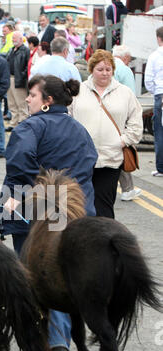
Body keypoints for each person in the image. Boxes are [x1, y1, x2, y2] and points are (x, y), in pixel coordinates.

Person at [0, 74, 98, 351]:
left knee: (33, 278)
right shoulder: (80, 130)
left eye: (32, 95)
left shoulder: (30, 126)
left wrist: (38, 191)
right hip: (76, 218)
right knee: (65, 277)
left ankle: (43, 340)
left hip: (34, 217)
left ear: (47, 101)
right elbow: (88, 167)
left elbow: (18, 161)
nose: (27, 99)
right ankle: (61, 338)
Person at [69, 49, 143, 218]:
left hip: (111, 159)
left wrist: (123, 141)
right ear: (91, 69)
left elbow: (136, 123)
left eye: (108, 69)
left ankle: (104, 242)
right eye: (100, 69)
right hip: (82, 159)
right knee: (80, 207)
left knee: (104, 207)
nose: (104, 73)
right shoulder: (78, 91)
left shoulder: (125, 93)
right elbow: (67, 118)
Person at [113, 44, 142, 201]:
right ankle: (127, 189)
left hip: (105, 116)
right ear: (125, 57)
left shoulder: (104, 67)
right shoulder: (124, 70)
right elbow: (132, 96)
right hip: (120, 117)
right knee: (122, 151)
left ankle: (128, 188)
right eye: (129, 59)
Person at [145, 26, 163, 177]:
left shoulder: (154, 56)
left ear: (158, 38)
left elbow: (149, 81)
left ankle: (161, 167)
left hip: (161, 95)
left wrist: (156, 92)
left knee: (160, 132)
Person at [5, 31, 30, 132]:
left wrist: (22, 76)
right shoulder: (11, 50)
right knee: (12, 103)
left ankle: (22, 123)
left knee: (21, 103)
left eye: (15, 38)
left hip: (19, 79)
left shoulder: (25, 50)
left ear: (21, 39)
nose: (13, 40)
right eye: (13, 38)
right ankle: (13, 123)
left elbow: (27, 66)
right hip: (9, 78)